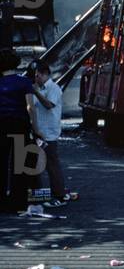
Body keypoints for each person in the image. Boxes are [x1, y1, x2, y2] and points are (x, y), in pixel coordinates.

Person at [0, 49, 41, 213]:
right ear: (16, 64)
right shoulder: (24, 82)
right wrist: (36, 128)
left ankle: (1, 202)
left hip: (1, 125)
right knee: (19, 165)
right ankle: (17, 202)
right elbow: (30, 107)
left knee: (1, 163)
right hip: (19, 125)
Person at [31, 61, 72, 205]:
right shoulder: (39, 88)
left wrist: (35, 91)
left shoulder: (53, 89)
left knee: (51, 165)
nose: (36, 79)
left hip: (49, 132)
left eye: (38, 76)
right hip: (39, 132)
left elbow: (48, 105)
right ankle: (38, 194)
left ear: (45, 74)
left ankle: (59, 195)